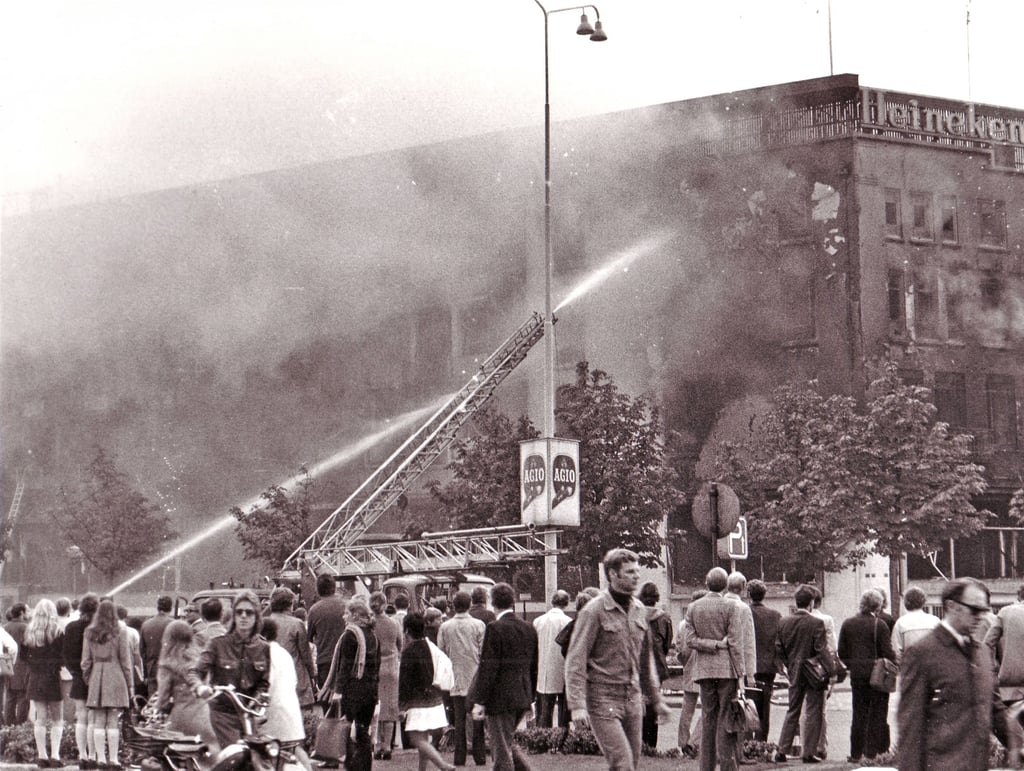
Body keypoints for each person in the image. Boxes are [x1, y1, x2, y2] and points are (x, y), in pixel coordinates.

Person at [566, 550, 669, 771]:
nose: (636, 576)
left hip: (632, 698)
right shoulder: (593, 611)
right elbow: (576, 659)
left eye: (637, 571)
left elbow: (645, 659)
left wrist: (656, 699)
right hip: (602, 700)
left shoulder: (640, 610)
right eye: (630, 572)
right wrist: (577, 705)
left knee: (631, 762)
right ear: (613, 574)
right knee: (623, 763)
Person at [898, 577, 1006, 771]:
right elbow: (911, 729)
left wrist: (1019, 745)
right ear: (951, 606)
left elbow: (995, 708)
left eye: (984, 611)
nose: (981, 617)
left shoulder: (981, 652)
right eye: (974, 610)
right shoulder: (922, 653)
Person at [682, 567, 745, 771]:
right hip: (726, 669)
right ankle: (728, 766)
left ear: (706, 583)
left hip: (704, 671)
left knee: (708, 719)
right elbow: (735, 643)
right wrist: (741, 672)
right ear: (725, 585)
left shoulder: (693, 607)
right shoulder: (731, 607)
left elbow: (690, 640)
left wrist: (710, 645)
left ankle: (706, 767)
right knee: (725, 720)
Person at [189, 590, 271, 748]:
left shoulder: (263, 648)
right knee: (234, 756)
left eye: (249, 612)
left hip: (248, 715)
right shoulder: (217, 644)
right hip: (221, 716)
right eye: (239, 612)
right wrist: (200, 687)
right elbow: (195, 672)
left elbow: (264, 682)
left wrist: (261, 696)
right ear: (233, 616)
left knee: (257, 756)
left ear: (257, 617)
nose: (244, 616)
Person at [469, 582, 536, 771]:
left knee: (501, 754)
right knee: (507, 744)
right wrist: (531, 698)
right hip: (521, 696)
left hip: (500, 699)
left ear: (493, 602)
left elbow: (488, 667)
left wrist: (480, 701)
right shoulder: (528, 628)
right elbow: (533, 666)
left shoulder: (495, 628)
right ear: (512, 601)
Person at [837, 589, 895, 763]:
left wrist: (852, 665)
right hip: (877, 676)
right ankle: (872, 752)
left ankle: (856, 752)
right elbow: (887, 652)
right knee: (878, 713)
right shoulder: (880, 625)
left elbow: (842, 651)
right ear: (878, 606)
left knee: (858, 713)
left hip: (857, 676)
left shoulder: (848, 623)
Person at [772, 584, 828, 764]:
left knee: (793, 710)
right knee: (814, 711)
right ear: (811, 603)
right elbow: (821, 650)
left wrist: (787, 665)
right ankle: (809, 752)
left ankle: (782, 749)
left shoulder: (784, 622)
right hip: (813, 672)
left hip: (794, 670)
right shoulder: (817, 623)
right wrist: (831, 671)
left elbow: (779, 649)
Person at [326, 598, 380, 771]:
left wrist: (338, 691)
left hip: (353, 689)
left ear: (355, 615)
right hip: (370, 689)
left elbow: (345, 665)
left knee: (347, 729)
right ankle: (365, 766)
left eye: (347, 613)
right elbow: (377, 664)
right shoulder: (372, 634)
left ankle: (351, 765)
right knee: (363, 730)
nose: (344, 616)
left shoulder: (351, 634)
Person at [399, 612, 455, 771]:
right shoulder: (430, 646)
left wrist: (402, 707)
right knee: (423, 738)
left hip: (418, 702)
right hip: (435, 698)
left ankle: (443, 765)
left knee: (416, 739)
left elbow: (404, 682)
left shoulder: (409, 651)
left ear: (407, 630)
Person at [155, 620, 220, 756]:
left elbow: (163, 700)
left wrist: (161, 709)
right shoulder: (199, 658)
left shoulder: (167, 663)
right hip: (205, 717)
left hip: (180, 718)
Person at [82, 599, 132, 771]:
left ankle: (100, 759)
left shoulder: (89, 632)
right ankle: (114, 760)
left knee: (98, 720)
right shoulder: (120, 631)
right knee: (112, 721)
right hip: (116, 674)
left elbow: (85, 661)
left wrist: (89, 679)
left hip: (97, 674)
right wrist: (130, 684)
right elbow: (126, 661)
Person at [437, 591, 486, 767]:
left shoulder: (445, 627)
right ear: (469, 604)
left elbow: (441, 652)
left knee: (458, 720)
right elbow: (483, 651)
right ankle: (480, 756)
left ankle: (460, 757)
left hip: (455, 678)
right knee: (477, 719)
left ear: (453, 605)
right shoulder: (479, 625)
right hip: (474, 678)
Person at [260, 618, 312, 771]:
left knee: (269, 754)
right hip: (291, 710)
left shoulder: (264, 653)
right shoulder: (284, 653)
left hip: (273, 713)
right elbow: (293, 680)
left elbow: (265, 684)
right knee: (293, 749)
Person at [22, 599, 67, 767]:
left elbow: (23, 656)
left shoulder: (30, 631)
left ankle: (42, 756)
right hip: (53, 678)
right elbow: (63, 657)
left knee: (40, 718)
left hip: (35, 677)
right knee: (57, 718)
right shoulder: (57, 631)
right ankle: (55, 756)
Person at [267, 587, 317, 711]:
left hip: (271, 679)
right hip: (296, 678)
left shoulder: (264, 623)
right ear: (290, 604)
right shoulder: (296, 624)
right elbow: (305, 655)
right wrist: (313, 674)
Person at [803, 586, 838, 761]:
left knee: (805, 709)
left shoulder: (801, 619)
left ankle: (805, 745)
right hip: (820, 668)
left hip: (803, 667)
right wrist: (833, 671)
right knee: (820, 709)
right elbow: (831, 646)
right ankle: (820, 746)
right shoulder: (826, 620)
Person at [64, 594, 99, 767]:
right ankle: (93, 755)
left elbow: (66, 654)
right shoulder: (98, 628)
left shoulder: (71, 627)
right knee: (93, 718)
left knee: (81, 717)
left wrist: (75, 672)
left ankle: (82, 755)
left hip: (78, 676)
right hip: (95, 677)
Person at [367, 591, 401, 761]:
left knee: (375, 709)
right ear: (385, 603)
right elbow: (399, 644)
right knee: (389, 708)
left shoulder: (369, 624)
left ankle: (376, 744)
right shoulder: (394, 623)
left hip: (374, 668)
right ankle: (387, 746)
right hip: (391, 667)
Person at [638, 582, 673, 752]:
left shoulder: (635, 614)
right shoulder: (664, 618)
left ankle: (638, 743)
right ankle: (651, 745)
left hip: (637, 666)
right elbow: (667, 645)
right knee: (653, 705)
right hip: (656, 666)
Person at [532, 589, 571, 729]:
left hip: (543, 670)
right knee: (562, 710)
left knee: (544, 710)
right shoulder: (568, 622)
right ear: (566, 603)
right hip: (561, 670)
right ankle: (561, 739)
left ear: (552, 602)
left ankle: (542, 738)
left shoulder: (538, 621)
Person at [746, 580, 780, 742]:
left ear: (749, 594)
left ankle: (746, 741)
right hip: (768, 667)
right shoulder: (775, 615)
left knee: (746, 705)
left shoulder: (745, 612)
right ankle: (761, 743)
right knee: (764, 708)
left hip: (748, 666)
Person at [676, 591, 706, 760]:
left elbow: (679, 649)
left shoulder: (682, 624)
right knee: (707, 709)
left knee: (687, 710)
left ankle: (683, 742)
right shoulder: (703, 624)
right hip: (703, 671)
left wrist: (685, 662)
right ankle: (694, 743)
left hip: (688, 670)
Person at [307, 574, 347, 693]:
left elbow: (309, 637)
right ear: (334, 587)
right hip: (345, 658)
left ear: (318, 589)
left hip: (325, 660)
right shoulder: (346, 606)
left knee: (326, 699)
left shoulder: (314, 610)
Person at [892, 587, 939, 664]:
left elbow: (896, 651)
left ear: (906, 602)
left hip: (910, 667)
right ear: (923, 601)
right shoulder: (935, 621)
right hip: (931, 666)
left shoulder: (901, 623)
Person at [139, 596, 174, 698]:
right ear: (170, 608)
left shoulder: (146, 624)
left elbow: (142, 651)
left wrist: (145, 674)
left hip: (152, 668)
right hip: (169, 668)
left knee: (153, 702)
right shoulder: (174, 624)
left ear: (158, 607)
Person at [3, 602, 30, 725]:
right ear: (21, 613)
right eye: (27, 611)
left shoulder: (5, 627)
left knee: (10, 697)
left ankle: (8, 724)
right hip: (23, 666)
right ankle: (21, 725)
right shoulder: (25, 627)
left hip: (7, 665)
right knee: (23, 698)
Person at [116, 605, 144, 696]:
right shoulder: (133, 632)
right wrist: (141, 674)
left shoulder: (106, 631)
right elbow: (137, 655)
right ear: (125, 616)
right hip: (129, 669)